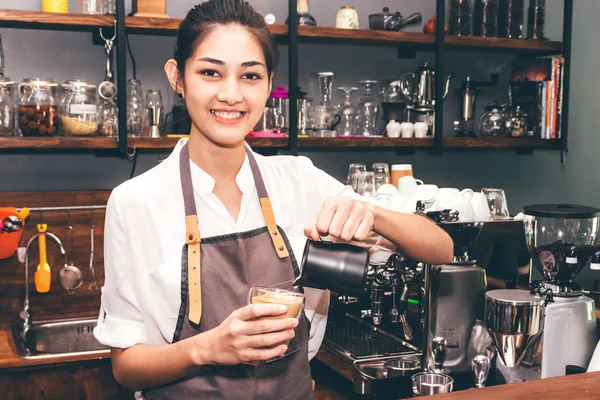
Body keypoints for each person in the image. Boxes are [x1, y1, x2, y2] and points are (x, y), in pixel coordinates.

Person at [93, 1, 453, 398]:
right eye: (210, 72)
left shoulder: (297, 180)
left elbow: (441, 248)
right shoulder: (135, 202)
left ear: (268, 85)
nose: (231, 94)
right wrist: (207, 349)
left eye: (250, 75)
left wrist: (368, 212)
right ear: (177, 77)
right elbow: (125, 366)